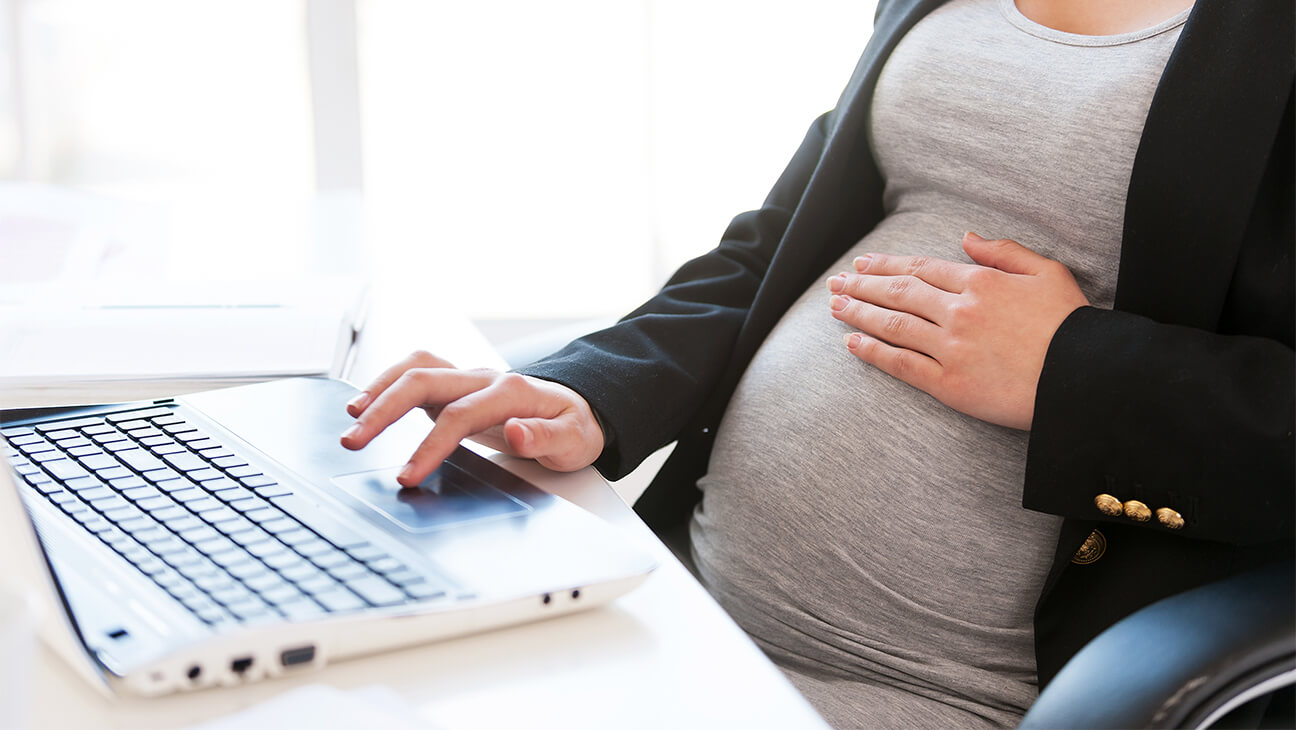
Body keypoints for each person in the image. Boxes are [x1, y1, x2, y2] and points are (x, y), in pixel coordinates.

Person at [341, 0, 1295, 726]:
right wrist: (588, 385)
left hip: (937, 692)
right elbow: (780, 247)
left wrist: (1072, 370)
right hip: (685, 612)